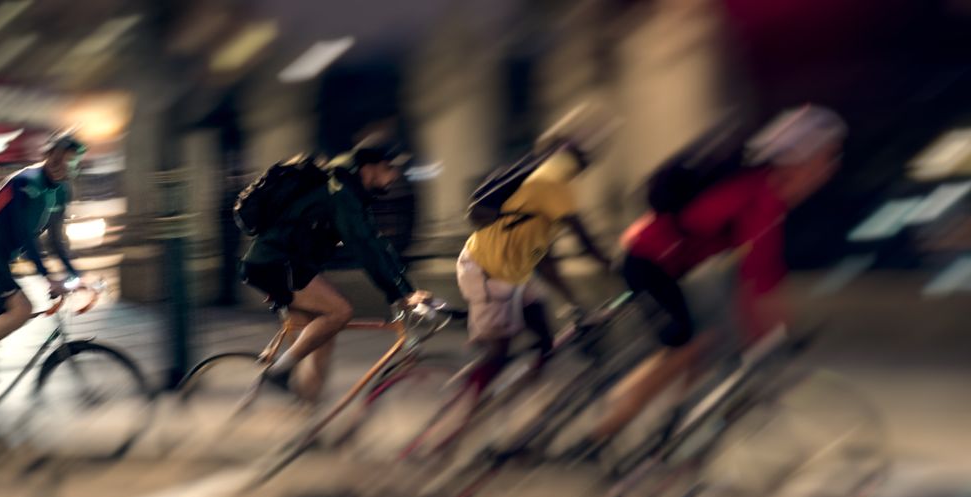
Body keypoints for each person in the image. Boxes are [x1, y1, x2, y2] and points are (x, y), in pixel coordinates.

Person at [582, 105, 847, 450]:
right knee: (686, 347)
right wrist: (772, 336)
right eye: (824, 159)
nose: (828, 170)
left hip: (658, 259)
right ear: (800, 160)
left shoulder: (757, 190)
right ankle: (604, 431)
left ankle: (672, 424)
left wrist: (764, 330)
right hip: (649, 259)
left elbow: (753, 275)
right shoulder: (762, 197)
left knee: (703, 344)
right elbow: (761, 276)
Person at [240, 138, 424, 400]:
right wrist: (400, 294)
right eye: (389, 167)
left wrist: (406, 287)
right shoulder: (340, 192)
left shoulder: (348, 190)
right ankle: (278, 372)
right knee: (339, 311)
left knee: (323, 338)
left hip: (290, 265)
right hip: (275, 264)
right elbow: (364, 246)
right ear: (369, 167)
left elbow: (375, 242)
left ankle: (308, 421)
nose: (395, 175)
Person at [458, 107, 615, 395]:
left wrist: (576, 305)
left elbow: (545, 259)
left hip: (511, 271)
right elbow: (583, 237)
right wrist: (612, 265)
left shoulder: (546, 184)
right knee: (499, 353)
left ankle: (518, 405)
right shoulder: (553, 181)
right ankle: (458, 414)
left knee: (545, 340)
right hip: (486, 269)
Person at [0, 131, 86, 386]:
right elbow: (24, 235)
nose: (61, 166)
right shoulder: (26, 182)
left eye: (69, 162)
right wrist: (48, 276)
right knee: (22, 309)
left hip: (0, 257)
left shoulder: (62, 191)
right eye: (57, 159)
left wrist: (77, 274)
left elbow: (56, 239)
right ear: (48, 155)